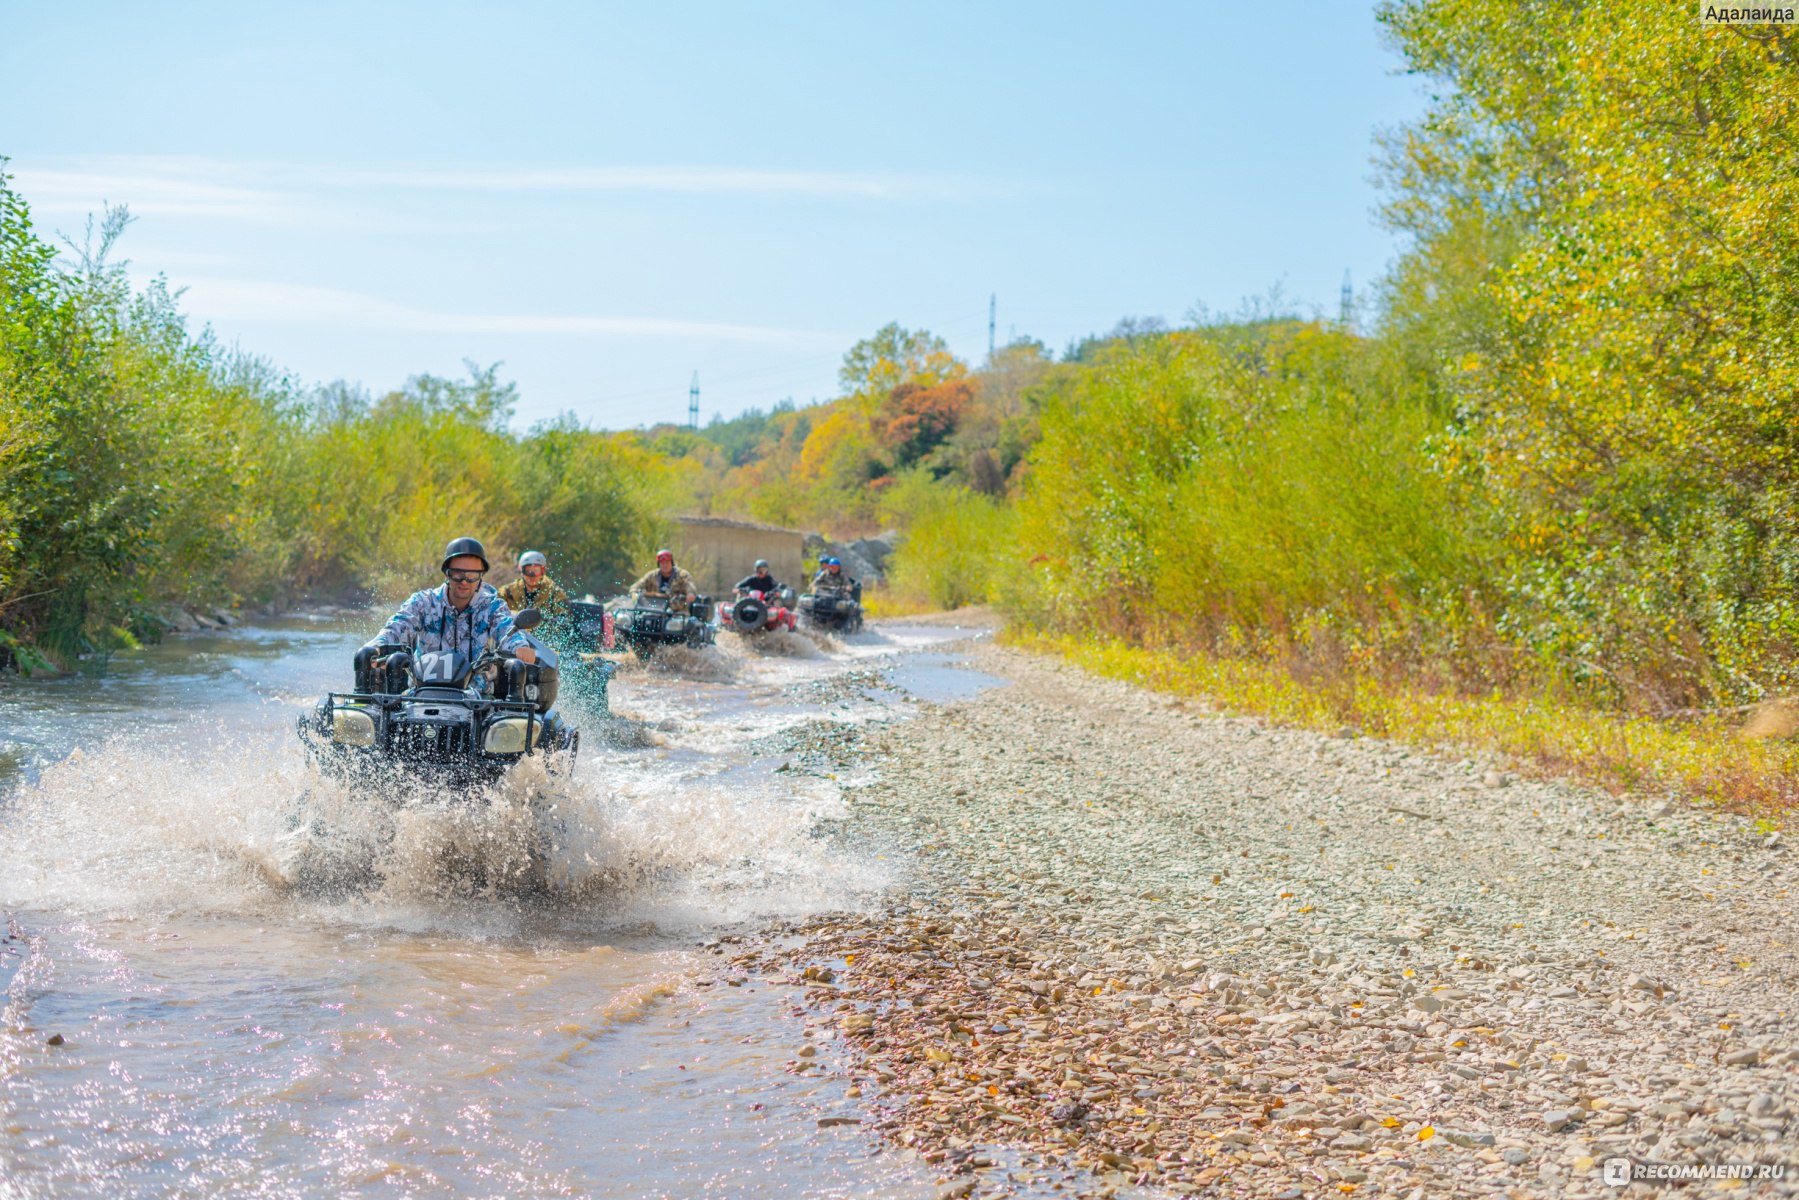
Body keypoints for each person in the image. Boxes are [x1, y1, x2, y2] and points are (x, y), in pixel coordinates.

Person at [365, 536, 537, 668]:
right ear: (447, 574)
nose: (464, 581)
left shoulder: (492, 607)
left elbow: (506, 629)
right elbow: (396, 627)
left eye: (472, 575)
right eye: (458, 573)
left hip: (478, 700)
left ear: (481, 576)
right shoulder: (423, 602)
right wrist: (375, 647)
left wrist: (519, 647)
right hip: (422, 693)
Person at [498, 550, 571, 615]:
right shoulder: (507, 592)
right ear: (522, 571)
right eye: (528, 571)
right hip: (515, 629)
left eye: (536, 571)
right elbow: (495, 610)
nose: (532, 576)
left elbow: (564, 617)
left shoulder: (554, 593)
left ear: (542, 571)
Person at [630, 549, 698, 606]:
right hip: (654, 608)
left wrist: (690, 594)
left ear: (672, 562)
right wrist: (635, 594)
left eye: (667, 562)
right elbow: (636, 586)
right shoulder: (652, 575)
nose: (665, 565)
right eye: (662, 563)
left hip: (676, 610)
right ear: (658, 564)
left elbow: (690, 587)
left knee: (676, 622)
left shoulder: (682, 575)